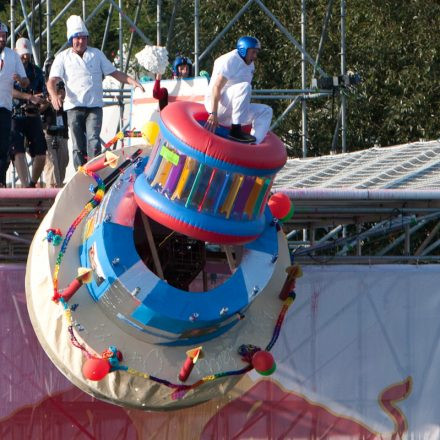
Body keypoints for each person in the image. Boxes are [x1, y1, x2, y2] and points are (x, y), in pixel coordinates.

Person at [47, 15, 145, 169]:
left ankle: (96, 171)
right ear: (71, 39)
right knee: (77, 144)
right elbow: (51, 81)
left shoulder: (96, 54)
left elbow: (114, 72)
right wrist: (54, 96)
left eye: (83, 38)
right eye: (77, 38)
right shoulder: (63, 57)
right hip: (73, 106)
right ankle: (81, 172)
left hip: (94, 106)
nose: (80, 41)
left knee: (93, 141)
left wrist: (133, 82)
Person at [204, 36, 272, 144]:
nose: (255, 56)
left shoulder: (250, 65)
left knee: (266, 111)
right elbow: (216, 87)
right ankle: (236, 130)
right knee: (245, 86)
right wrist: (214, 113)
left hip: (232, 111)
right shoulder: (230, 60)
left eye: (256, 53)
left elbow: (242, 97)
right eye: (253, 52)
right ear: (243, 50)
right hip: (218, 107)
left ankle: (253, 145)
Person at [10, 37, 48, 187]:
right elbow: (8, 90)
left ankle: (32, 183)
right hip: (14, 114)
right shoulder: (8, 68)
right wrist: (29, 97)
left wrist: (41, 101)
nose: (25, 57)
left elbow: (44, 94)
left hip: (33, 115)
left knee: (41, 153)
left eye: (27, 54)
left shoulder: (36, 71)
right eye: (22, 54)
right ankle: (25, 185)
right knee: (17, 150)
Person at [0, 23, 29, 187]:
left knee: (3, 146)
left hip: (4, 107)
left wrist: (20, 80)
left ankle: (1, 182)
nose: (1, 38)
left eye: (4, 35)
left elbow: (26, 82)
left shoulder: (12, 56)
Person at [42, 80, 69, 187]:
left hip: (62, 133)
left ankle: (57, 188)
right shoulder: (44, 86)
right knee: (51, 165)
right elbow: (37, 109)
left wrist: (63, 98)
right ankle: (52, 192)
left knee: (63, 163)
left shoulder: (68, 83)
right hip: (48, 131)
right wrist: (49, 100)